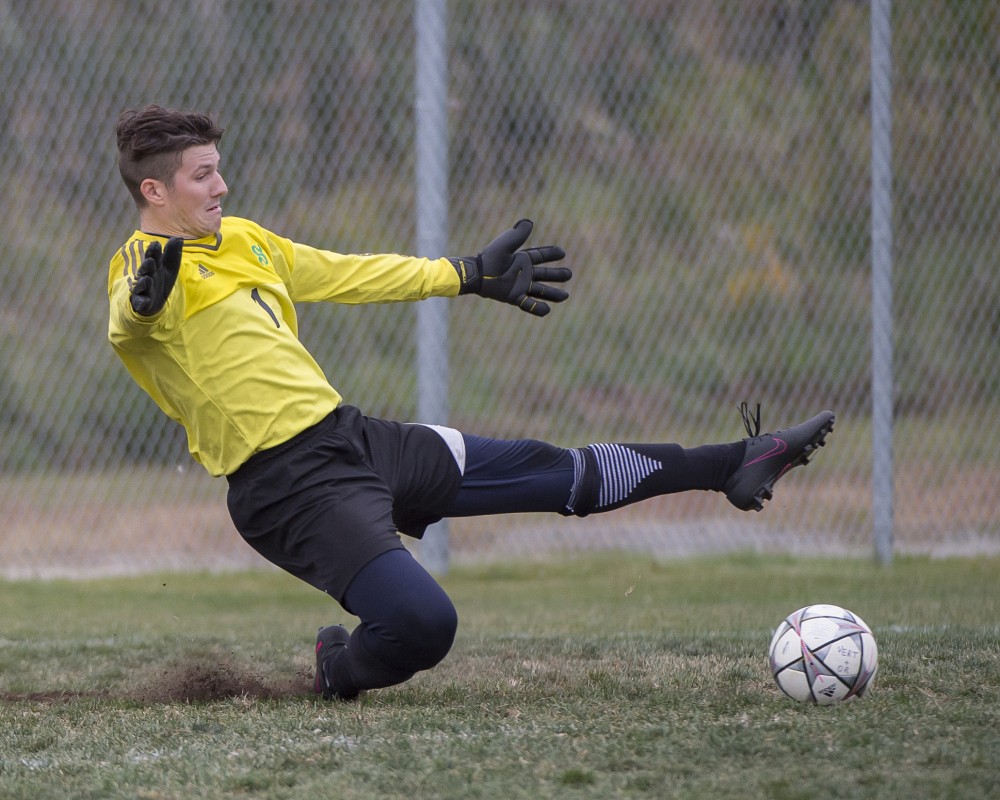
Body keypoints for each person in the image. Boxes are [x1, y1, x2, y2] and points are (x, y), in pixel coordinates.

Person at [108, 104, 834, 701]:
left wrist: (465, 275)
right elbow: (127, 321)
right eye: (204, 175)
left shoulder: (243, 241)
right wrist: (144, 308)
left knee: (560, 473)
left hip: (353, 440)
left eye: (218, 169)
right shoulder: (141, 270)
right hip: (289, 489)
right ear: (155, 192)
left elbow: (350, 274)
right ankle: (339, 669)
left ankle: (738, 462)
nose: (222, 186)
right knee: (425, 626)